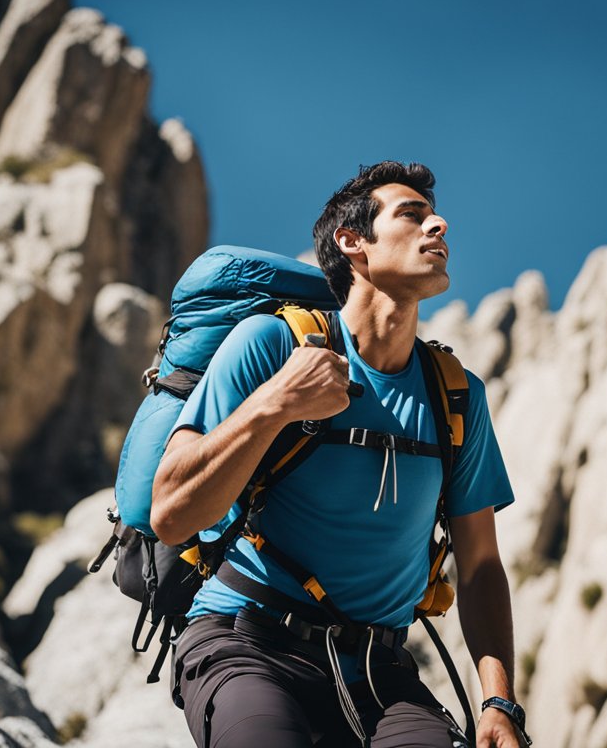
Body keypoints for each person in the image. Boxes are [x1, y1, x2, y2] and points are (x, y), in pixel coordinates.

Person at [152, 161, 526, 748]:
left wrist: (499, 701)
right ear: (352, 242)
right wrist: (274, 403)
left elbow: (480, 565)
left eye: (435, 216)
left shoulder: (455, 394)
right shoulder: (271, 343)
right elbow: (171, 511)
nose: (440, 225)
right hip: (247, 644)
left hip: (381, 674)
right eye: (413, 215)